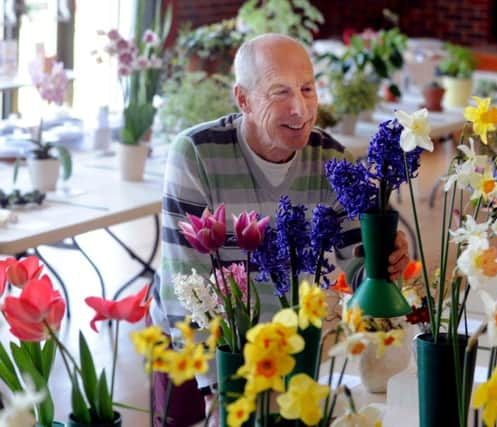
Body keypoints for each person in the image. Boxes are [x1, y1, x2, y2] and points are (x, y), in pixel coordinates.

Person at [150, 33, 409, 426]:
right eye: (280, 92)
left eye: (307, 89)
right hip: (201, 351)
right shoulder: (196, 153)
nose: (300, 109)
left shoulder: (332, 159)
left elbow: (358, 266)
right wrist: (218, 391)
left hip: (288, 350)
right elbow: (184, 283)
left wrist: (382, 262)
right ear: (243, 100)